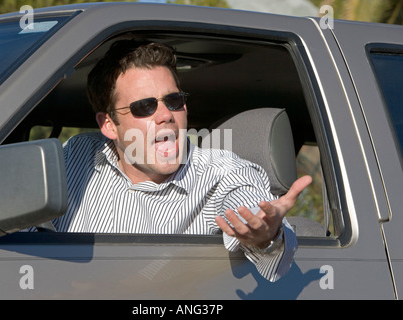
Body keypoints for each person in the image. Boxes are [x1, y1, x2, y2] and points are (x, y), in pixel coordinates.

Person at [54, 40, 312, 282]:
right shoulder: (75, 156)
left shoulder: (224, 174)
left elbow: (251, 209)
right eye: (144, 107)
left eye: (174, 100)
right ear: (109, 125)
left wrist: (266, 236)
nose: (166, 115)